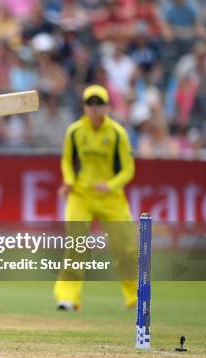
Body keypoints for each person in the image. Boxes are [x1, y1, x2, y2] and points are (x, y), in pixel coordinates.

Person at [55, 85, 136, 311]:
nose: (94, 108)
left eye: (99, 103)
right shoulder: (74, 131)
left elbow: (128, 169)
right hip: (81, 195)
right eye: (90, 104)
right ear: (84, 106)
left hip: (111, 197)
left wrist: (109, 185)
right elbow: (67, 161)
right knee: (76, 245)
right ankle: (68, 297)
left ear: (107, 106)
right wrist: (69, 182)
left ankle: (134, 297)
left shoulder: (118, 133)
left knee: (126, 248)